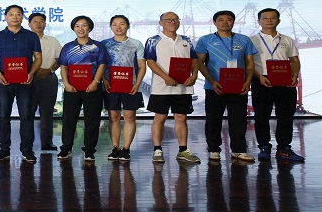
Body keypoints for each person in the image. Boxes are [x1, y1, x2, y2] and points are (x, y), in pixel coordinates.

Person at [196, 10, 257, 162]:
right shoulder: (205, 40)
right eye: (221, 20)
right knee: (213, 119)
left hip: (238, 86)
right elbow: (199, 63)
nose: (225, 22)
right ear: (215, 22)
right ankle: (214, 150)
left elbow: (250, 64)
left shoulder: (244, 40)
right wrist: (211, 81)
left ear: (233, 22)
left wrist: (248, 82)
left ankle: (238, 150)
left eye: (228, 19)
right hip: (214, 86)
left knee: (239, 119)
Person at [144, 12, 201, 164]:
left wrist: (194, 75)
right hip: (161, 87)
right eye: (168, 20)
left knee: (181, 118)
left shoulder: (186, 40)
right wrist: (166, 77)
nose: (172, 22)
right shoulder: (153, 40)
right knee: (160, 117)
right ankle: (157, 149)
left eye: (175, 20)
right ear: (160, 23)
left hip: (183, 87)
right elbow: (150, 62)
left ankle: (183, 150)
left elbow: (194, 60)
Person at [0, 5, 42, 163]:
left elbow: (38, 58)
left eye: (18, 14)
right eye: (11, 14)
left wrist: (31, 73)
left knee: (26, 115)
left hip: (26, 81)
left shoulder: (31, 36)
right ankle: (4, 149)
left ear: (22, 17)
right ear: (5, 16)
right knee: (3, 115)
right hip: (4, 81)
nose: (15, 17)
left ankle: (27, 149)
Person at [249, 8, 303, 162]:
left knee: (286, 116)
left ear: (278, 20)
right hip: (261, 79)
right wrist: (259, 76)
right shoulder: (251, 40)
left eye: (273, 18)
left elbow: (294, 61)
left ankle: (284, 148)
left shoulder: (287, 40)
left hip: (284, 78)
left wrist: (294, 75)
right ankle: (264, 147)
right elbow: (248, 63)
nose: (269, 20)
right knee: (261, 115)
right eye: (265, 18)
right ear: (259, 21)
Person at [57, 16, 109, 162]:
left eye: (84, 25)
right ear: (73, 29)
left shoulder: (98, 46)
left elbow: (102, 65)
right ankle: (66, 148)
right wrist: (66, 84)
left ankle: (89, 150)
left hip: (92, 88)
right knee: (68, 119)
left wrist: (95, 82)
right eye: (77, 26)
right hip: (72, 88)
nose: (81, 29)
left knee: (92, 120)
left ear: (89, 28)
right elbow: (63, 66)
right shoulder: (68, 47)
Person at [101, 15, 146, 161]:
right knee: (113, 117)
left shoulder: (136, 44)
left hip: (131, 86)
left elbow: (142, 66)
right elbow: (100, 65)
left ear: (128, 26)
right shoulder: (104, 44)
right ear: (111, 27)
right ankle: (115, 148)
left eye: (122, 23)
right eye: (114, 24)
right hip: (110, 86)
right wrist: (104, 80)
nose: (118, 27)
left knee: (129, 116)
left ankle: (126, 149)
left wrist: (137, 84)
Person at [27, 12, 62, 151]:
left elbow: (60, 59)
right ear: (29, 24)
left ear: (45, 24)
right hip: (29, 78)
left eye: (41, 21)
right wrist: (32, 72)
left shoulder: (53, 41)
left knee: (47, 112)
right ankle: (27, 143)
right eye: (35, 21)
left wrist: (50, 70)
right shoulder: (24, 40)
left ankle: (47, 142)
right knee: (28, 112)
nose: (38, 23)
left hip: (49, 77)